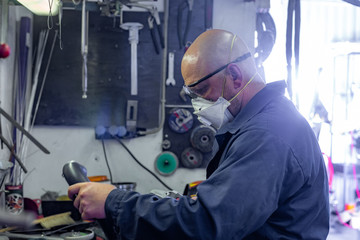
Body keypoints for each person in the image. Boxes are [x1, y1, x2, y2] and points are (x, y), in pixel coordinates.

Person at [68, 29, 329, 239]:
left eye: (202, 90)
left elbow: (209, 224)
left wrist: (114, 202)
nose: (197, 105)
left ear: (235, 76)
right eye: (192, 95)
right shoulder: (264, 121)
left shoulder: (266, 134)